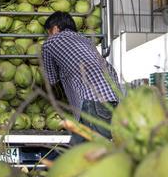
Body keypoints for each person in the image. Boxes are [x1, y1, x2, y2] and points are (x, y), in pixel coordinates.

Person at [41, 11, 120, 145]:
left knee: (96, 149)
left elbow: (51, 80)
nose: (49, 36)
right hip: (112, 97)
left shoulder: (50, 43)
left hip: (93, 101)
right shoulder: (85, 40)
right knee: (79, 147)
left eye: (48, 32)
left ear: (55, 28)